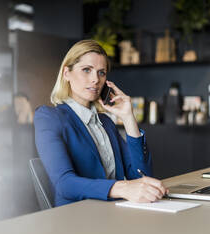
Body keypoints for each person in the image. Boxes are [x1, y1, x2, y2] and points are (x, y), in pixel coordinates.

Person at [34, 40, 168, 207]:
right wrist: (122, 188)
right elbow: (64, 184)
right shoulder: (49, 117)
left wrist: (128, 118)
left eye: (101, 73)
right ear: (66, 73)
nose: (95, 80)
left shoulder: (105, 122)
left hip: (113, 211)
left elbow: (142, 176)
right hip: (77, 217)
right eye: (86, 70)